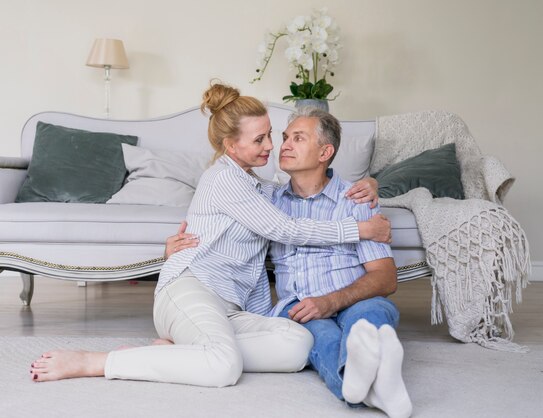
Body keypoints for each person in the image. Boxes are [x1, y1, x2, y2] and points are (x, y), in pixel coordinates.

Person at [28, 82, 390, 386]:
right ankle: (98, 362)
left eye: (270, 136)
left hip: (229, 306)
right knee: (223, 367)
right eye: (262, 139)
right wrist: (359, 228)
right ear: (232, 146)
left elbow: (304, 190)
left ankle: (177, 352)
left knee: (297, 344)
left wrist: (370, 182)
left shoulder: (260, 187)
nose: (272, 147)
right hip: (192, 287)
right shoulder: (224, 178)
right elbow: (285, 228)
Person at [169, 108, 412, 418]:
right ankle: (377, 385)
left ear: (326, 152)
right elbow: (223, 220)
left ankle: (364, 383)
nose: (282, 145)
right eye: (284, 137)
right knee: (319, 336)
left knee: (370, 315)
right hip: (299, 306)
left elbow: (386, 279)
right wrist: (181, 245)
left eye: (298, 138)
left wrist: (332, 300)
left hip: (353, 296)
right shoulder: (268, 200)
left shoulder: (356, 199)